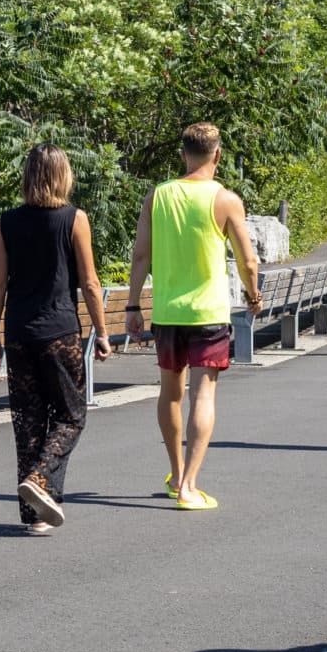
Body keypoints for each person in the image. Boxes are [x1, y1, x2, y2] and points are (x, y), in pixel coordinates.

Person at [124, 123, 263, 511]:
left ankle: (174, 472)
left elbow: (140, 256)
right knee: (204, 394)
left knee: (170, 393)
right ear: (217, 155)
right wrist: (253, 296)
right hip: (208, 312)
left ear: (183, 155)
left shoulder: (158, 195)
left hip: (168, 312)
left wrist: (133, 305)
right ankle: (189, 486)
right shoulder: (226, 200)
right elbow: (248, 260)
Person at [0, 144, 111, 534]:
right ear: (63, 176)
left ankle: (36, 516)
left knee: (29, 423)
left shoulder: (7, 222)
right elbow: (89, 282)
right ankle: (40, 479)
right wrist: (102, 331)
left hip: (19, 332)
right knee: (72, 416)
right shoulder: (74, 219)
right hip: (60, 333)